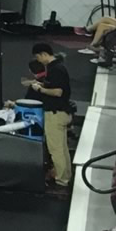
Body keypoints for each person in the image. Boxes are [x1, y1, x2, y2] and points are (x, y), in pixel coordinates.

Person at [21, 42, 73, 188]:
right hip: (62, 112)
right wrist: (38, 84)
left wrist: (40, 89)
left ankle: (61, 180)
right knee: (62, 148)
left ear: (44, 54)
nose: (38, 60)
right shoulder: (56, 67)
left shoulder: (55, 69)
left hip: (55, 113)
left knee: (56, 149)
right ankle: (66, 175)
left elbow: (58, 92)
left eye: (38, 57)